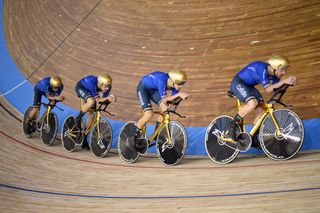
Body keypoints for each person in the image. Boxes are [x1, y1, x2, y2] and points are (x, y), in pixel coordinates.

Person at [227, 55, 297, 143]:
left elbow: (274, 89)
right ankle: (232, 125)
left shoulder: (276, 75)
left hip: (249, 86)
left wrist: (288, 84)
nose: (284, 73)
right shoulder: (262, 68)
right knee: (253, 103)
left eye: (285, 70)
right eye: (282, 69)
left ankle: (253, 137)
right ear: (275, 67)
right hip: (238, 83)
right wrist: (284, 81)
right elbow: (268, 89)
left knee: (262, 109)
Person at [134, 70, 189, 152]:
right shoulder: (162, 80)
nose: (181, 86)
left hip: (154, 90)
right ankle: (133, 136)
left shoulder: (175, 86)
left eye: (182, 84)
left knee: (165, 108)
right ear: (173, 81)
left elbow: (171, 102)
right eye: (179, 84)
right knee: (149, 114)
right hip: (143, 89)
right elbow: (164, 99)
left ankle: (157, 132)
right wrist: (178, 95)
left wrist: (176, 103)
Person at [74, 74, 116, 147]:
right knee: (91, 101)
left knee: (92, 115)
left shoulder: (108, 87)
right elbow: (97, 99)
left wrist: (111, 99)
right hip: (81, 87)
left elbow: (102, 100)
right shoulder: (92, 82)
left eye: (108, 86)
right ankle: (78, 118)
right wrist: (109, 98)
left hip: (90, 92)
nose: (107, 89)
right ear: (100, 84)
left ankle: (84, 137)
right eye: (105, 86)